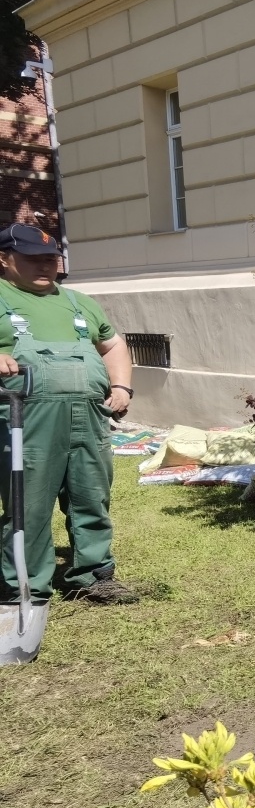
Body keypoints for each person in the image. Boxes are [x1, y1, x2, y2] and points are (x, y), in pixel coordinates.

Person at [0, 223, 138, 605]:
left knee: (91, 496)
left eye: (50, 260)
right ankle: (26, 587)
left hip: (88, 417)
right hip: (26, 420)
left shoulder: (79, 302)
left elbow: (113, 345)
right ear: (4, 259)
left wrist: (122, 387)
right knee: (29, 502)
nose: (45, 267)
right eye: (33, 260)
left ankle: (93, 575)